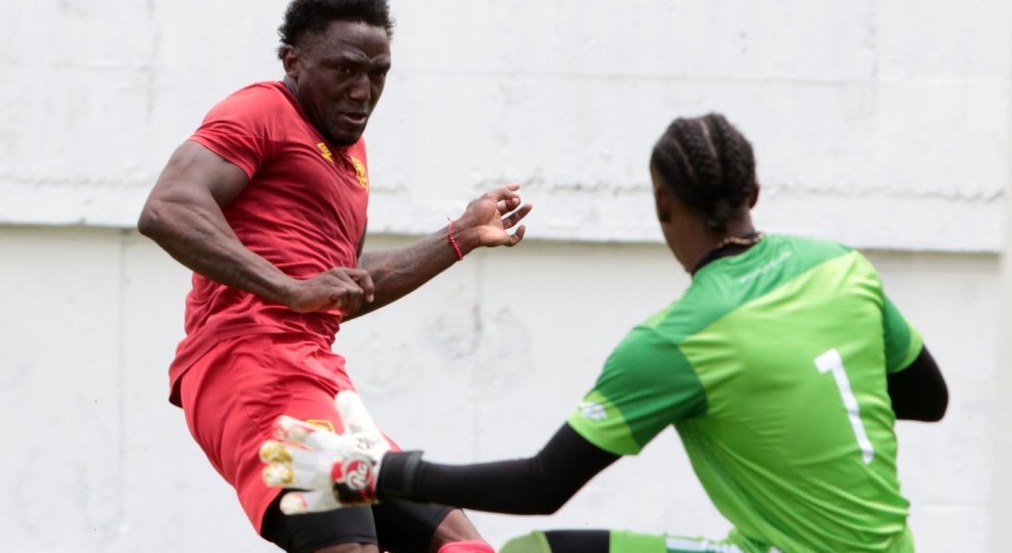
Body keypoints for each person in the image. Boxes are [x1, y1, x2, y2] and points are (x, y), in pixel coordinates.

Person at [261, 112, 949, 553]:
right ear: (755, 193)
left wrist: (373, 472)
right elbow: (928, 399)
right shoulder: (842, 267)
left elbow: (540, 483)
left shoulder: (677, 340)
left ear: (661, 204)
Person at [137, 0, 532, 553]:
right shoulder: (261, 109)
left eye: (378, 74)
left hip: (317, 375)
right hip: (249, 367)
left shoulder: (349, 158)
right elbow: (168, 208)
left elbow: (345, 286)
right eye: (345, 70)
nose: (362, 91)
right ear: (294, 62)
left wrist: (461, 235)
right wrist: (288, 288)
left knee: (461, 546)